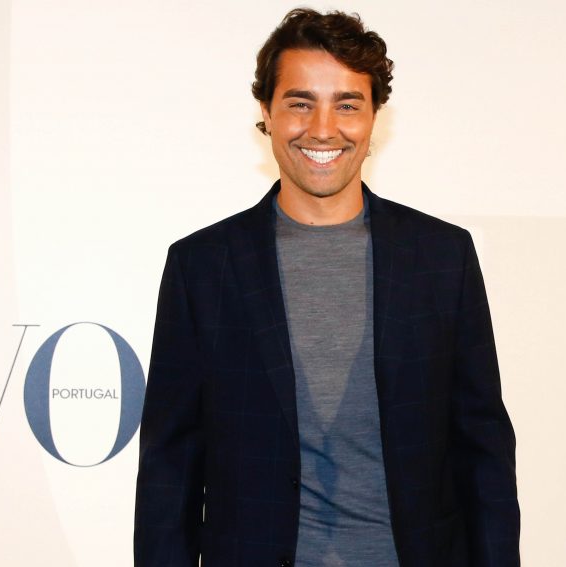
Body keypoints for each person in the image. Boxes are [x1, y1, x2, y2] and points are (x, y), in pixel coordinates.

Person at [134, 8, 520, 567]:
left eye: (347, 104)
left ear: (373, 117)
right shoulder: (203, 266)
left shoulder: (442, 257)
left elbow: (483, 450)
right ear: (266, 113)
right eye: (299, 103)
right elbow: (169, 466)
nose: (322, 128)